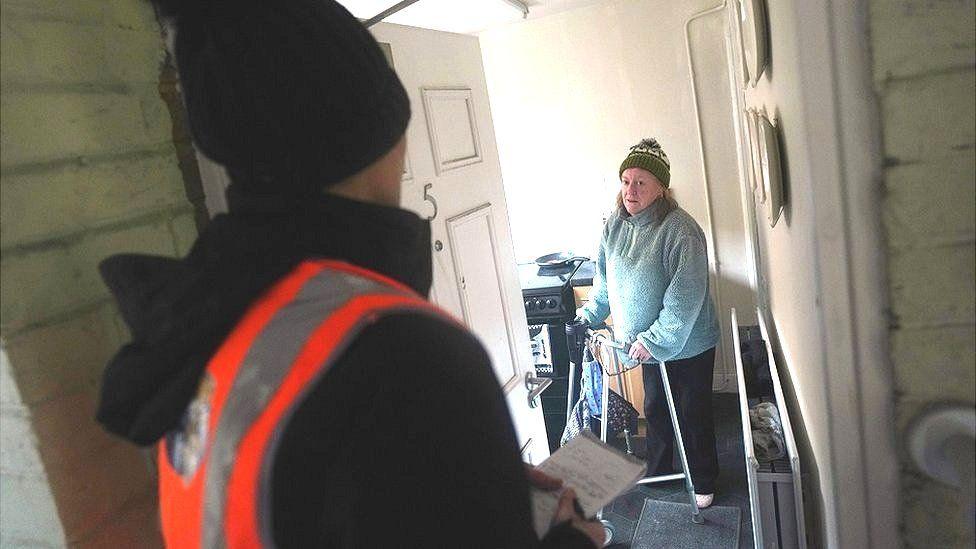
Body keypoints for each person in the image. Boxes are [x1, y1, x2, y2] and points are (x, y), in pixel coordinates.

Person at [94, 1, 603, 547]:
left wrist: (467, 484)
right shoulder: (409, 358)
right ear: (382, 130)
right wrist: (574, 540)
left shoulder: (207, 321)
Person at [576, 138, 722, 508]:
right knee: (656, 407)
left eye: (641, 182)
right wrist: (588, 316)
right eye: (626, 181)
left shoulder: (680, 231)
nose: (631, 190)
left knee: (692, 412)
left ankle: (703, 479)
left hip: (688, 343)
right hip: (646, 346)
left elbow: (684, 299)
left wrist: (655, 340)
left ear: (661, 189)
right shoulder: (614, 229)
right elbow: (605, 284)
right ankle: (659, 469)